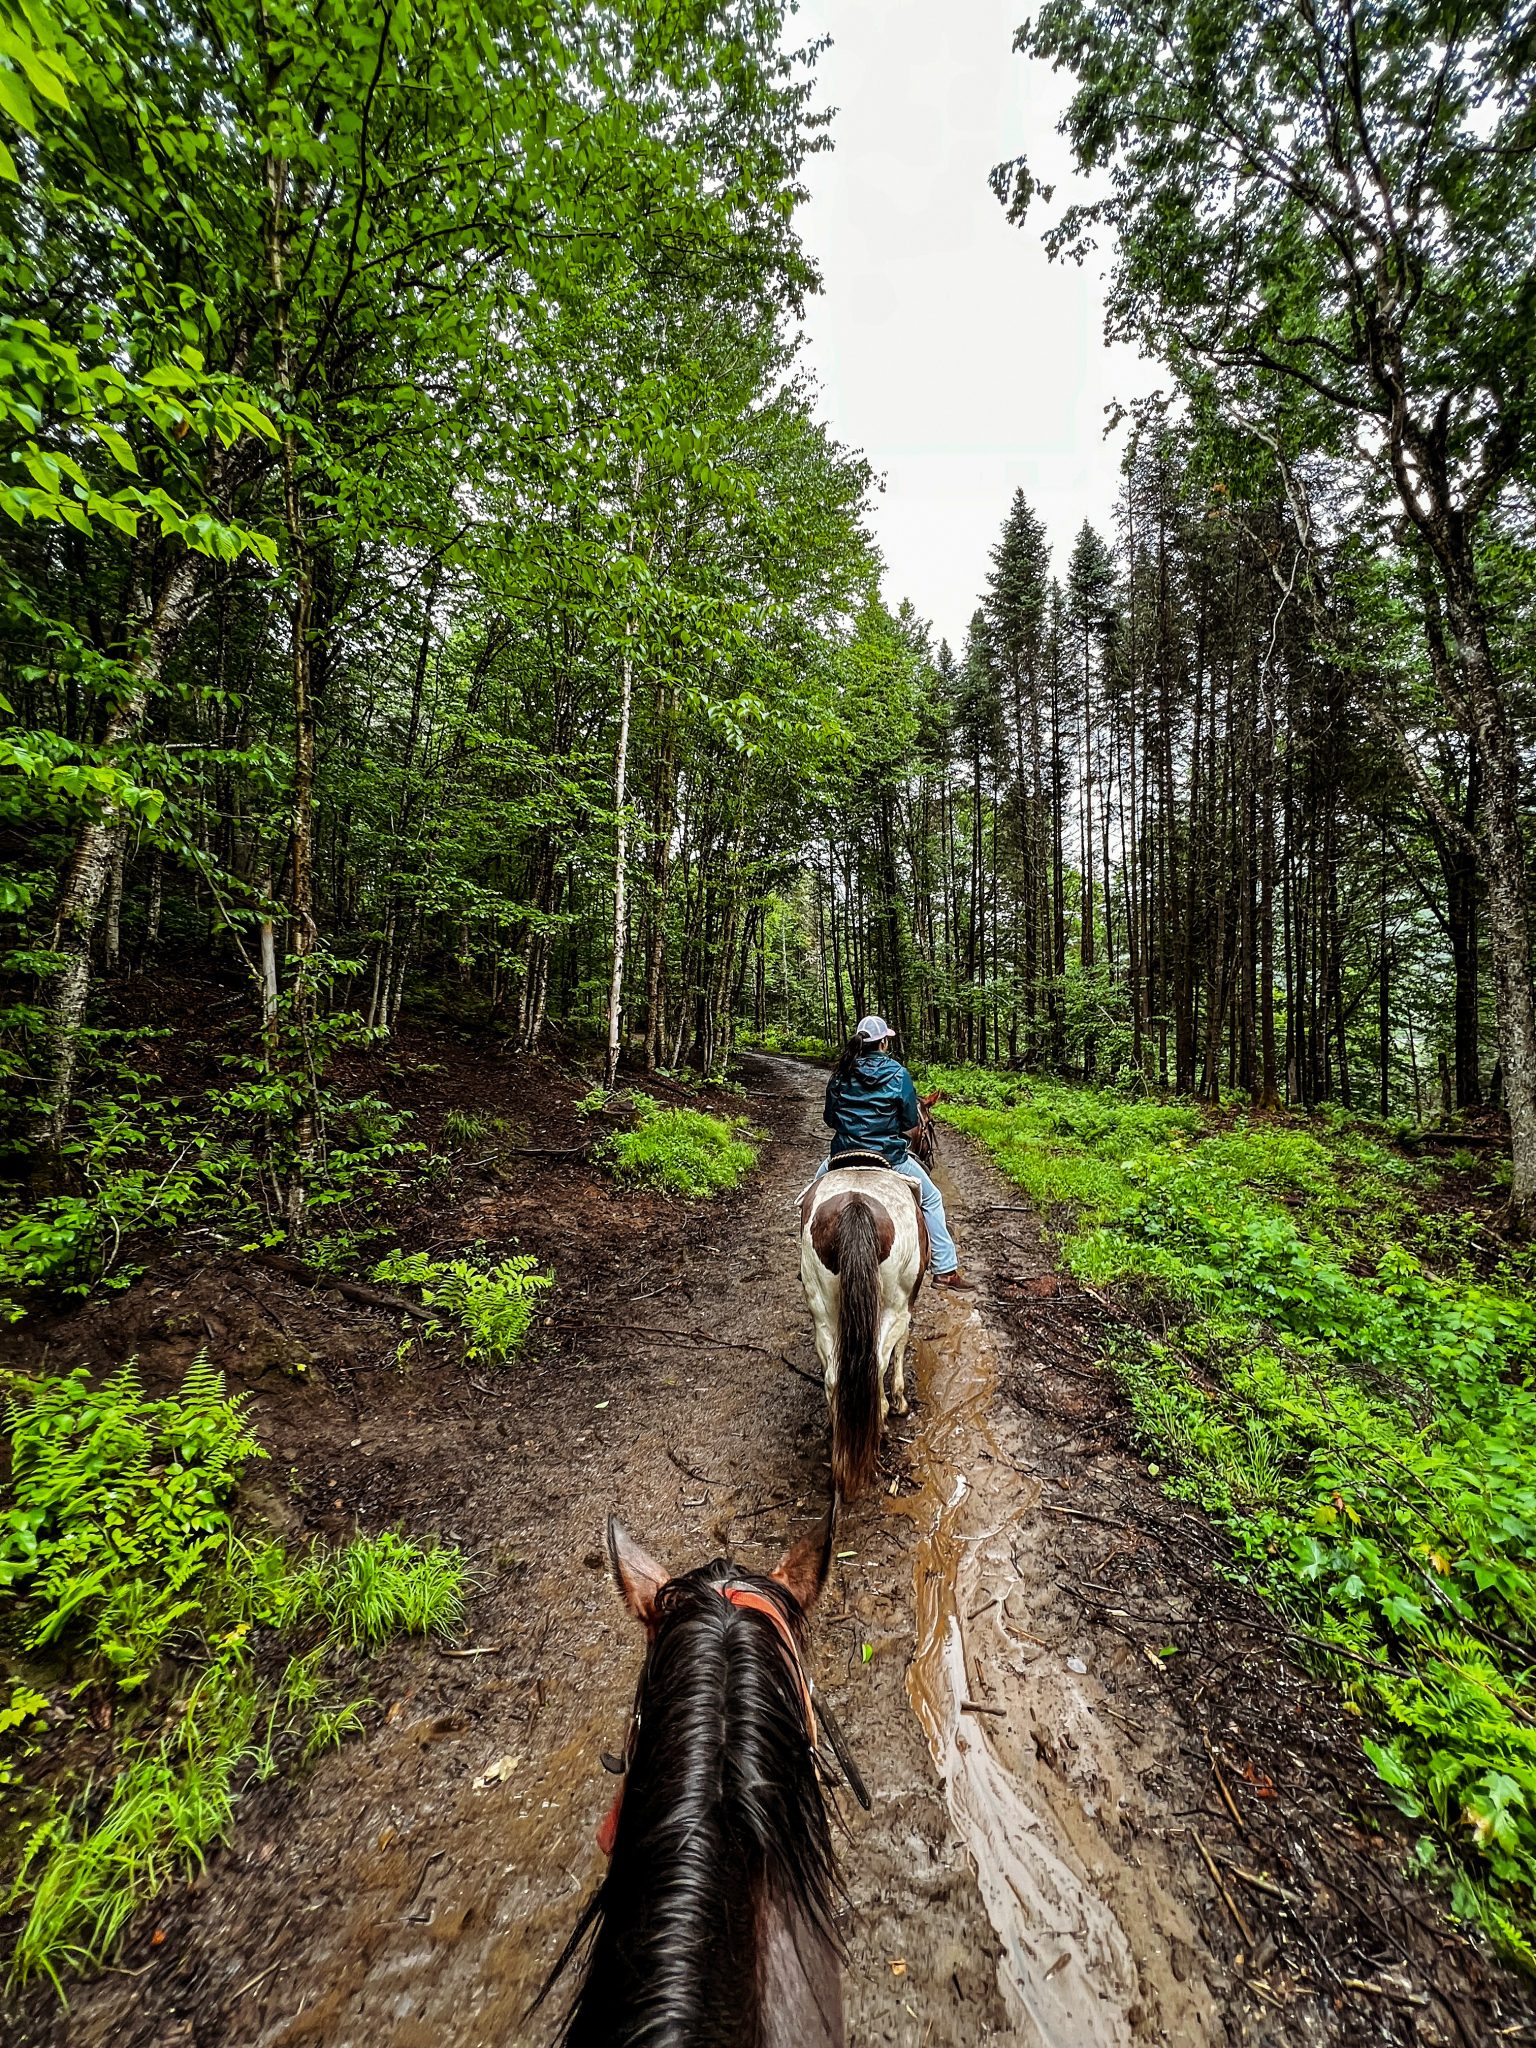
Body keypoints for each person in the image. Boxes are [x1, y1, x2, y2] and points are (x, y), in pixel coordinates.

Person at [816, 1015, 975, 1290]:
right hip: (889, 1157)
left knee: (812, 1194)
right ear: (884, 1042)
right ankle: (945, 1270)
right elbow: (909, 1123)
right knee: (933, 1199)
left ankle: (812, 1263)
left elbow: (830, 1119)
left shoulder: (840, 1073)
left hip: (843, 1155)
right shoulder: (899, 1074)